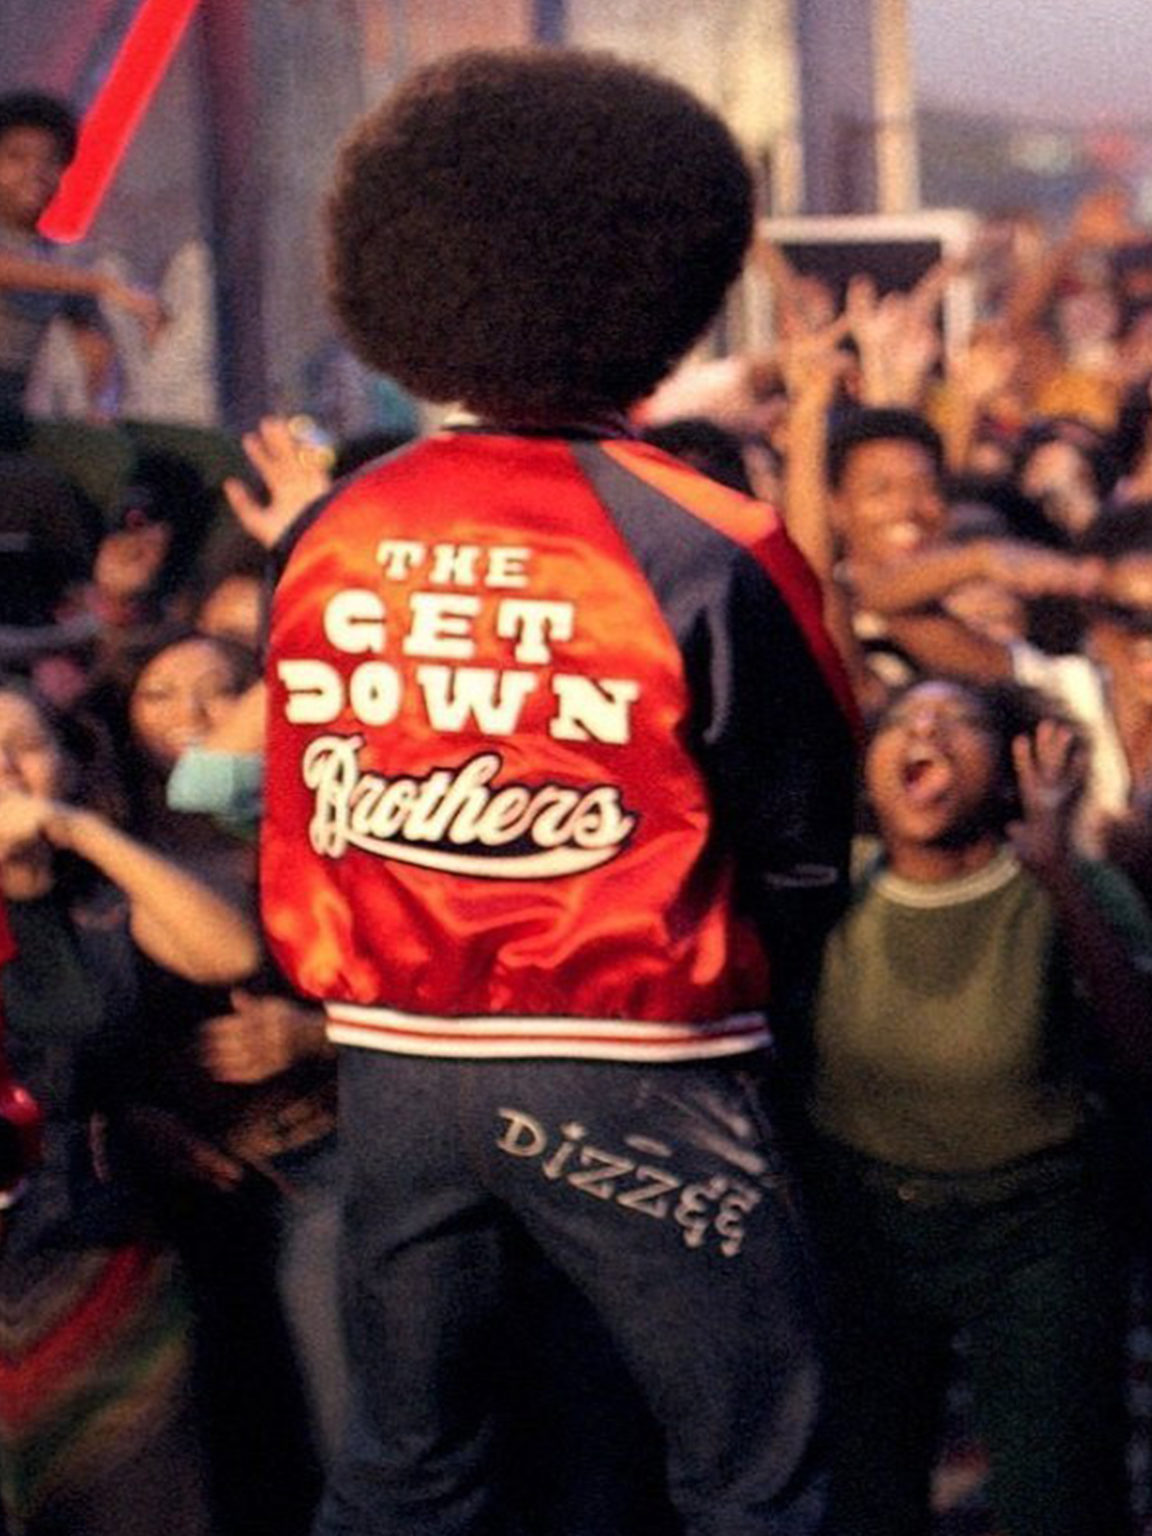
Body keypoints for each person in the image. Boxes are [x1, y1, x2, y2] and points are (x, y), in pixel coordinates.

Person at [259, 46, 857, 1536]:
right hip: (639, 1058)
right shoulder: (708, 537)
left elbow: (297, 804)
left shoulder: (335, 528)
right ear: (657, 282)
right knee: (758, 1478)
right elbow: (800, 837)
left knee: (404, 1471)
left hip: (391, 1064)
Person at [798, 677, 1152, 1536]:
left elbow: (1141, 1048)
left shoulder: (1069, 887)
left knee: (1059, 1493)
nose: (924, 732)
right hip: (865, 1226)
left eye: (956, 721)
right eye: (901, 721)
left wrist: (1059, 873)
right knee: (866, 1492)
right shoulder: (832, 884)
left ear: (1013, 766)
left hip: (1040, 1228)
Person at [0, 676, 259, 1535]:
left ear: (71, 761)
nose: (6, 772)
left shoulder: (99, 897)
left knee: (140, 1501)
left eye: (26, 746)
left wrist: (81, 831)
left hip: (97, 1246)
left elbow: (226, 952)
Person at [0, 92, 163, 415]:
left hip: (13, 410)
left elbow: (94, 342)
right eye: (17, 158)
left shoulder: (59, 262)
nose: (35, 172)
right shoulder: (75, 275)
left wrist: (98, 406)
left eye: (50, 161)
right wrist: (101, 283)